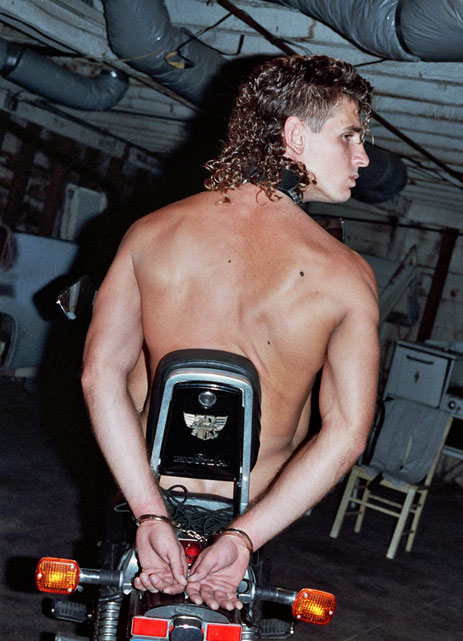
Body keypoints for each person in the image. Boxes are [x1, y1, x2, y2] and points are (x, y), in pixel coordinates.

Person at [82, 54, 380, 612]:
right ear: (295, 135)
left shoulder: (150, 233)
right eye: (349, 136)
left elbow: (101, 376)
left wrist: (149, 514)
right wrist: (243, 537)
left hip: (144, 494)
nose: (362, 156)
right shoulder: (347, 276)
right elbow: (347, 434)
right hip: (254, 512)